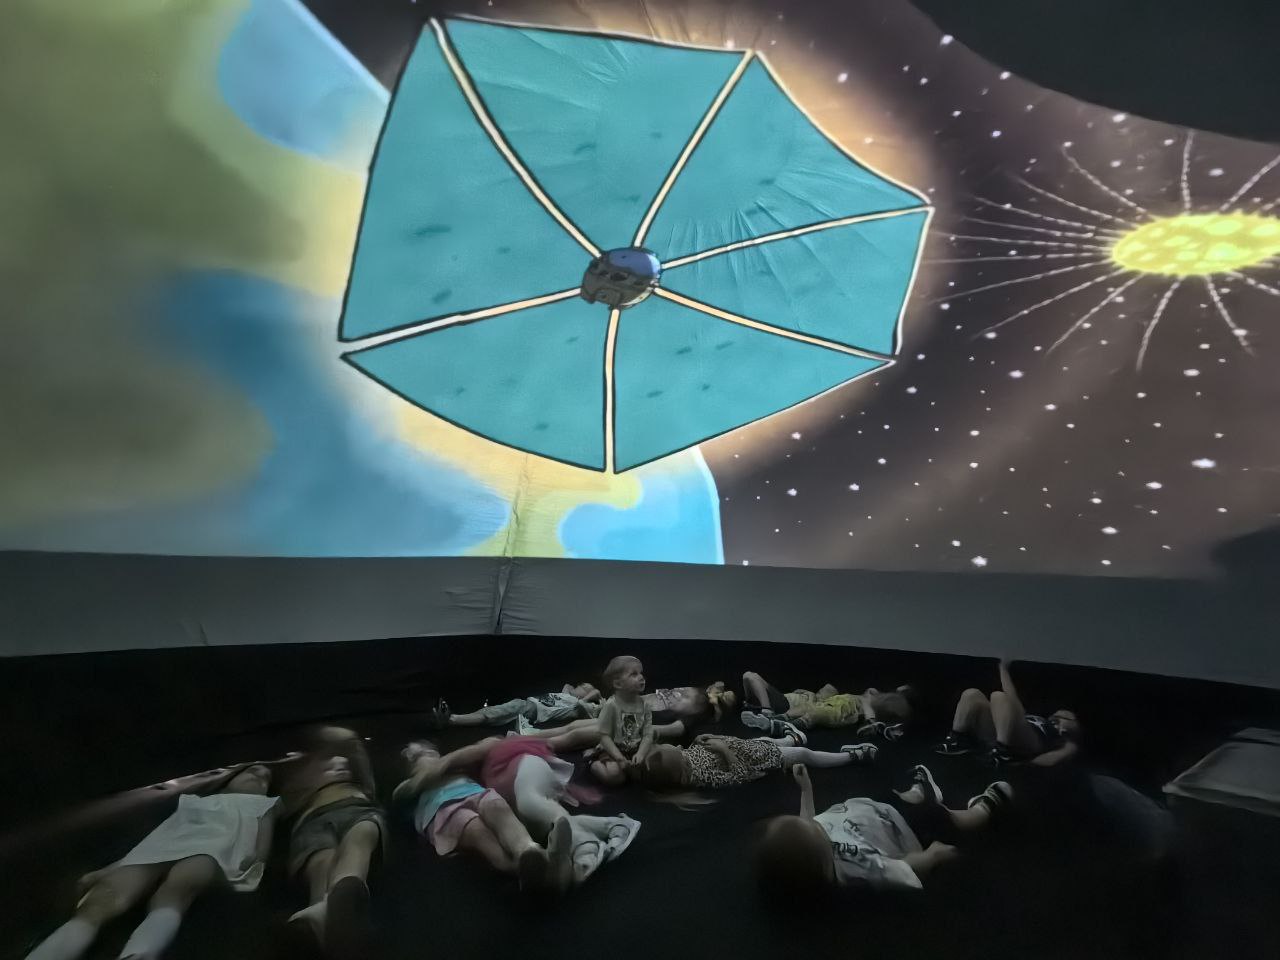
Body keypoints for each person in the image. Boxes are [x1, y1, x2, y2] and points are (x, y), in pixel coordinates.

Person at [25, 764, 278, 960]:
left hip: (213, 850)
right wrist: (111, 868)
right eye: (253, 770)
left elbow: (262, 845)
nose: (259, 777)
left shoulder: (263, 804)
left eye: (266, 778)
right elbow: (160, 835)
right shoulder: (194, 802)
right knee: (103, 897)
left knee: (178, 886)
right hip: (164, 847)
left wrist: (251, 865)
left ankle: (140, 954)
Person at [404, 735, 639, 889]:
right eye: (414, 757)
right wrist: (421, 778)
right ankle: (536, 867)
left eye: (427, 752)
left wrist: (440, 766)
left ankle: (550, 852)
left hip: (500, 785)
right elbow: (402, 795)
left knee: (515, 809)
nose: (422, 758)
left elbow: (477, 750)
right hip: (454, 808)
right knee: (486, 831)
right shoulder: (418, 786)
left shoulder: (465, 763)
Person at [753, 763, 1013, 897]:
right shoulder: (854, 865)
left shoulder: (809, 842)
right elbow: (899, 869)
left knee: (890, 794)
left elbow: (807, 823)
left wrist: (806, 789)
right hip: (906, 828)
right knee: (941, 817)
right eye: (811, 828)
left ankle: (920, 793)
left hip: (874, 809)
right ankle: (983, 809)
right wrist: (933, 855)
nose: (811, 822)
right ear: (822, 863)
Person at [395, 740, 566, 893]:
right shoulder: (406, 786)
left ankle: (527, 849)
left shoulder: (456, 768)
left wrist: (447, 763)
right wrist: (432, 770)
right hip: (444, 810)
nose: (426, 755)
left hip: (476, 793)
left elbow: (487, 746)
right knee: (476, 830)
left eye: (430, 751)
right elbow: (402, 796)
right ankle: (517, 868)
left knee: (498, 808)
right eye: (418, 755)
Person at [280, 726, 385, 960]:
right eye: (330, 765)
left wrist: (318, 733)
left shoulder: (361, 784)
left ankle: (328, 905)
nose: (340, 766)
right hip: (313, 818)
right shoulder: (301, 779)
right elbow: (287, 798)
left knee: (361, 835)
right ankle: (336, 902)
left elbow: (349, 740)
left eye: (344, 765)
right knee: (321, 859)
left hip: (358, 809)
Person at [934, 659, 1081, 766]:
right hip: (1008, 731)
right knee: (972, 694)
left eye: (1066, 717)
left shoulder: (1066, 742)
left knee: (998, 697)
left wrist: (1025, 762)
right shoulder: (1038, 718)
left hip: (1033, 743)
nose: (1060, 715)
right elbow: (1014, 703)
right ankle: (957, 739)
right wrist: (1003, 668)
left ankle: (1003, 751)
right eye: (1058, 715)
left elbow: (1051, 760)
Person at [638, 734, 878, 792]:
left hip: (750, 746)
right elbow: (739, 776)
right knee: (804, 754)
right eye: (676, 750)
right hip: (761, 760)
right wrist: (725, 750)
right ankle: (852, 757)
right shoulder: (703, 777)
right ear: (680, 768)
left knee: (764, 740)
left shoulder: (685, 758)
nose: (680, 748)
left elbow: (695, 751)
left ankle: (790, 738)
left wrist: (699, 739)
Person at [740, 670, 917, 737]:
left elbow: (868, 701)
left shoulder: (898, 706)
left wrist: (871, 719)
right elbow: (869, 695)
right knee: (819, 701)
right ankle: (775, 720)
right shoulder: (880, 695)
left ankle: (777, 723)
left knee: (816, 713)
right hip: (843, 701)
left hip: (850, 708)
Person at [590, 656, 655, 785]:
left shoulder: (645, 705)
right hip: (613, 750)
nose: (641, 677)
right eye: (634, 674)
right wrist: (619, 758)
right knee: (615, 776)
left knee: (651, 771)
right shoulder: (612, 705)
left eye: (641, 673)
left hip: (635, 750)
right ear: (618, 684)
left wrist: (641, 754)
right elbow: (603, 736)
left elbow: (648, 734)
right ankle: (593, 764)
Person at [429, 683, 601, 729]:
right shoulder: (567, 696)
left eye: (584, 686)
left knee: (491, 714)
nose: (580, 686)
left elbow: (594, 694)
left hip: (530, 710)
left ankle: (451, 719)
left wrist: (592, 695)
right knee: (489, 713)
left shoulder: (579, 706)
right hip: (526, 704)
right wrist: (578, 692)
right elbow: (567, 686)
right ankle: (451, 719)